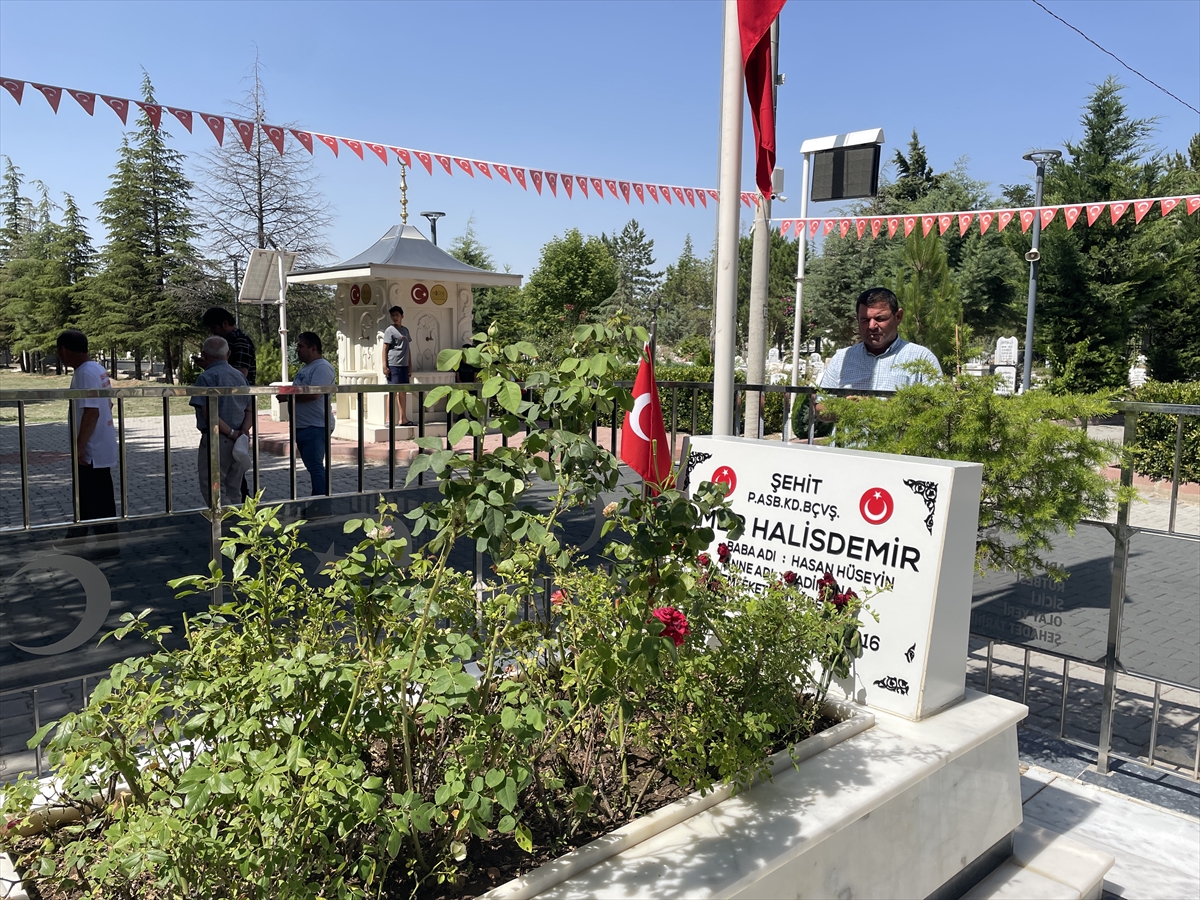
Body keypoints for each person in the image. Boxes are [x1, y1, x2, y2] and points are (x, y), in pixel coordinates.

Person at [56, 329, 120, 557]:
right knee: (93, 495)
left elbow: (91, 411)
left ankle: (105, 544)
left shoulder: (84, 373)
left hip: (93, 447)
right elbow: (108, 404)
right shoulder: (97, 368)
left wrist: (80, 445)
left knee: (93, 497)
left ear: (64, 350)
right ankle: (80, 539)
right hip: (103, 443)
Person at [820, 287, 942, 392]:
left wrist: (891, 407)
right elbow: (821, 404)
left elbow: (939, 406)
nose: (872, 326)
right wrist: (847, 407)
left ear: (898, 317)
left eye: (880, 319)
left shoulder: (921, 358)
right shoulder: (842, 358)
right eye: (865, 320)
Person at [191, 335, 254, 507]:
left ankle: (222, 524)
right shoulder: (240, 377)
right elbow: (250, 409)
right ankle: (237, 525)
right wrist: (243, 432)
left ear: (204, 355)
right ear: (228, 353)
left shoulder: (206, 378)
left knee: (213, 486)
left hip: (217, 439)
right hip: (239, 440)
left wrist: (231, 433)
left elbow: (208, 413)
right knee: (235, 487)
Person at [288, 332, 335, 496]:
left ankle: (322, 505)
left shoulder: (322, 367)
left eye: (301, 346)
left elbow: (315, 394)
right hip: (303, 425)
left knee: (315, 466)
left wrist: (289, 396)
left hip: (315, 426)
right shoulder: (307, 368)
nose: (297, 350)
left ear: (313, 348)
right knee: (312, 466)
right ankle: (318, 502)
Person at [202, 307, 257, 384]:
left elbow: (241, 373)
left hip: (238, 393)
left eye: (214, 327)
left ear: (225, 324)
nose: (212, 332)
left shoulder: (240, 341)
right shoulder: (229, 340)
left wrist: (210, 366)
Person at [380, 305, 413, 426]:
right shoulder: (389, 330)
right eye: (393, 315)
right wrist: (384, 365)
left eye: (397, 315)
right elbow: (385, 348)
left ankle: (403, 418)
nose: (395, 317)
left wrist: (410, 365)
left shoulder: (405, 330)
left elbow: (408, 349)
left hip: (404, 365)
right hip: (393, 364)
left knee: (403, 391)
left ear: (402, 316)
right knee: (392, 391)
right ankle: (388, 419)